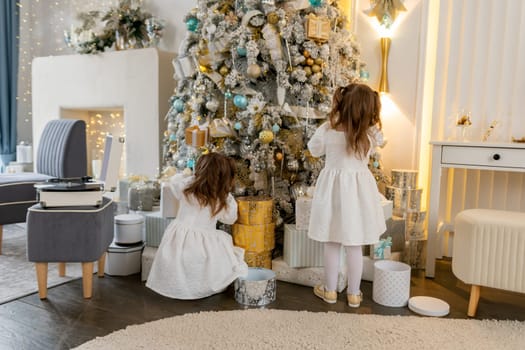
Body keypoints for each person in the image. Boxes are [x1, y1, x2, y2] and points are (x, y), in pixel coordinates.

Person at [307, 83, 386, 308]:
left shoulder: (328, 129)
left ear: (343, 103)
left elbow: (313, 149)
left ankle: (330, 291)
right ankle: (354, 293)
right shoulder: (370, 134)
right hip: (359, 195)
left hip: (333, 193)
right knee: (355, 245)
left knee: (332, 242)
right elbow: (381, 141)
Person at [146, 152, 248, 299]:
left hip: (178, 237)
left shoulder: (186, 186)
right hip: (203, 241)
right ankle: (200, 286)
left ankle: (180, 284)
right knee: (224, 252)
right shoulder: (222, 198)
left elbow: (174, 180)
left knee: (183, 260)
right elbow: (230, 219)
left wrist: (192, 177)